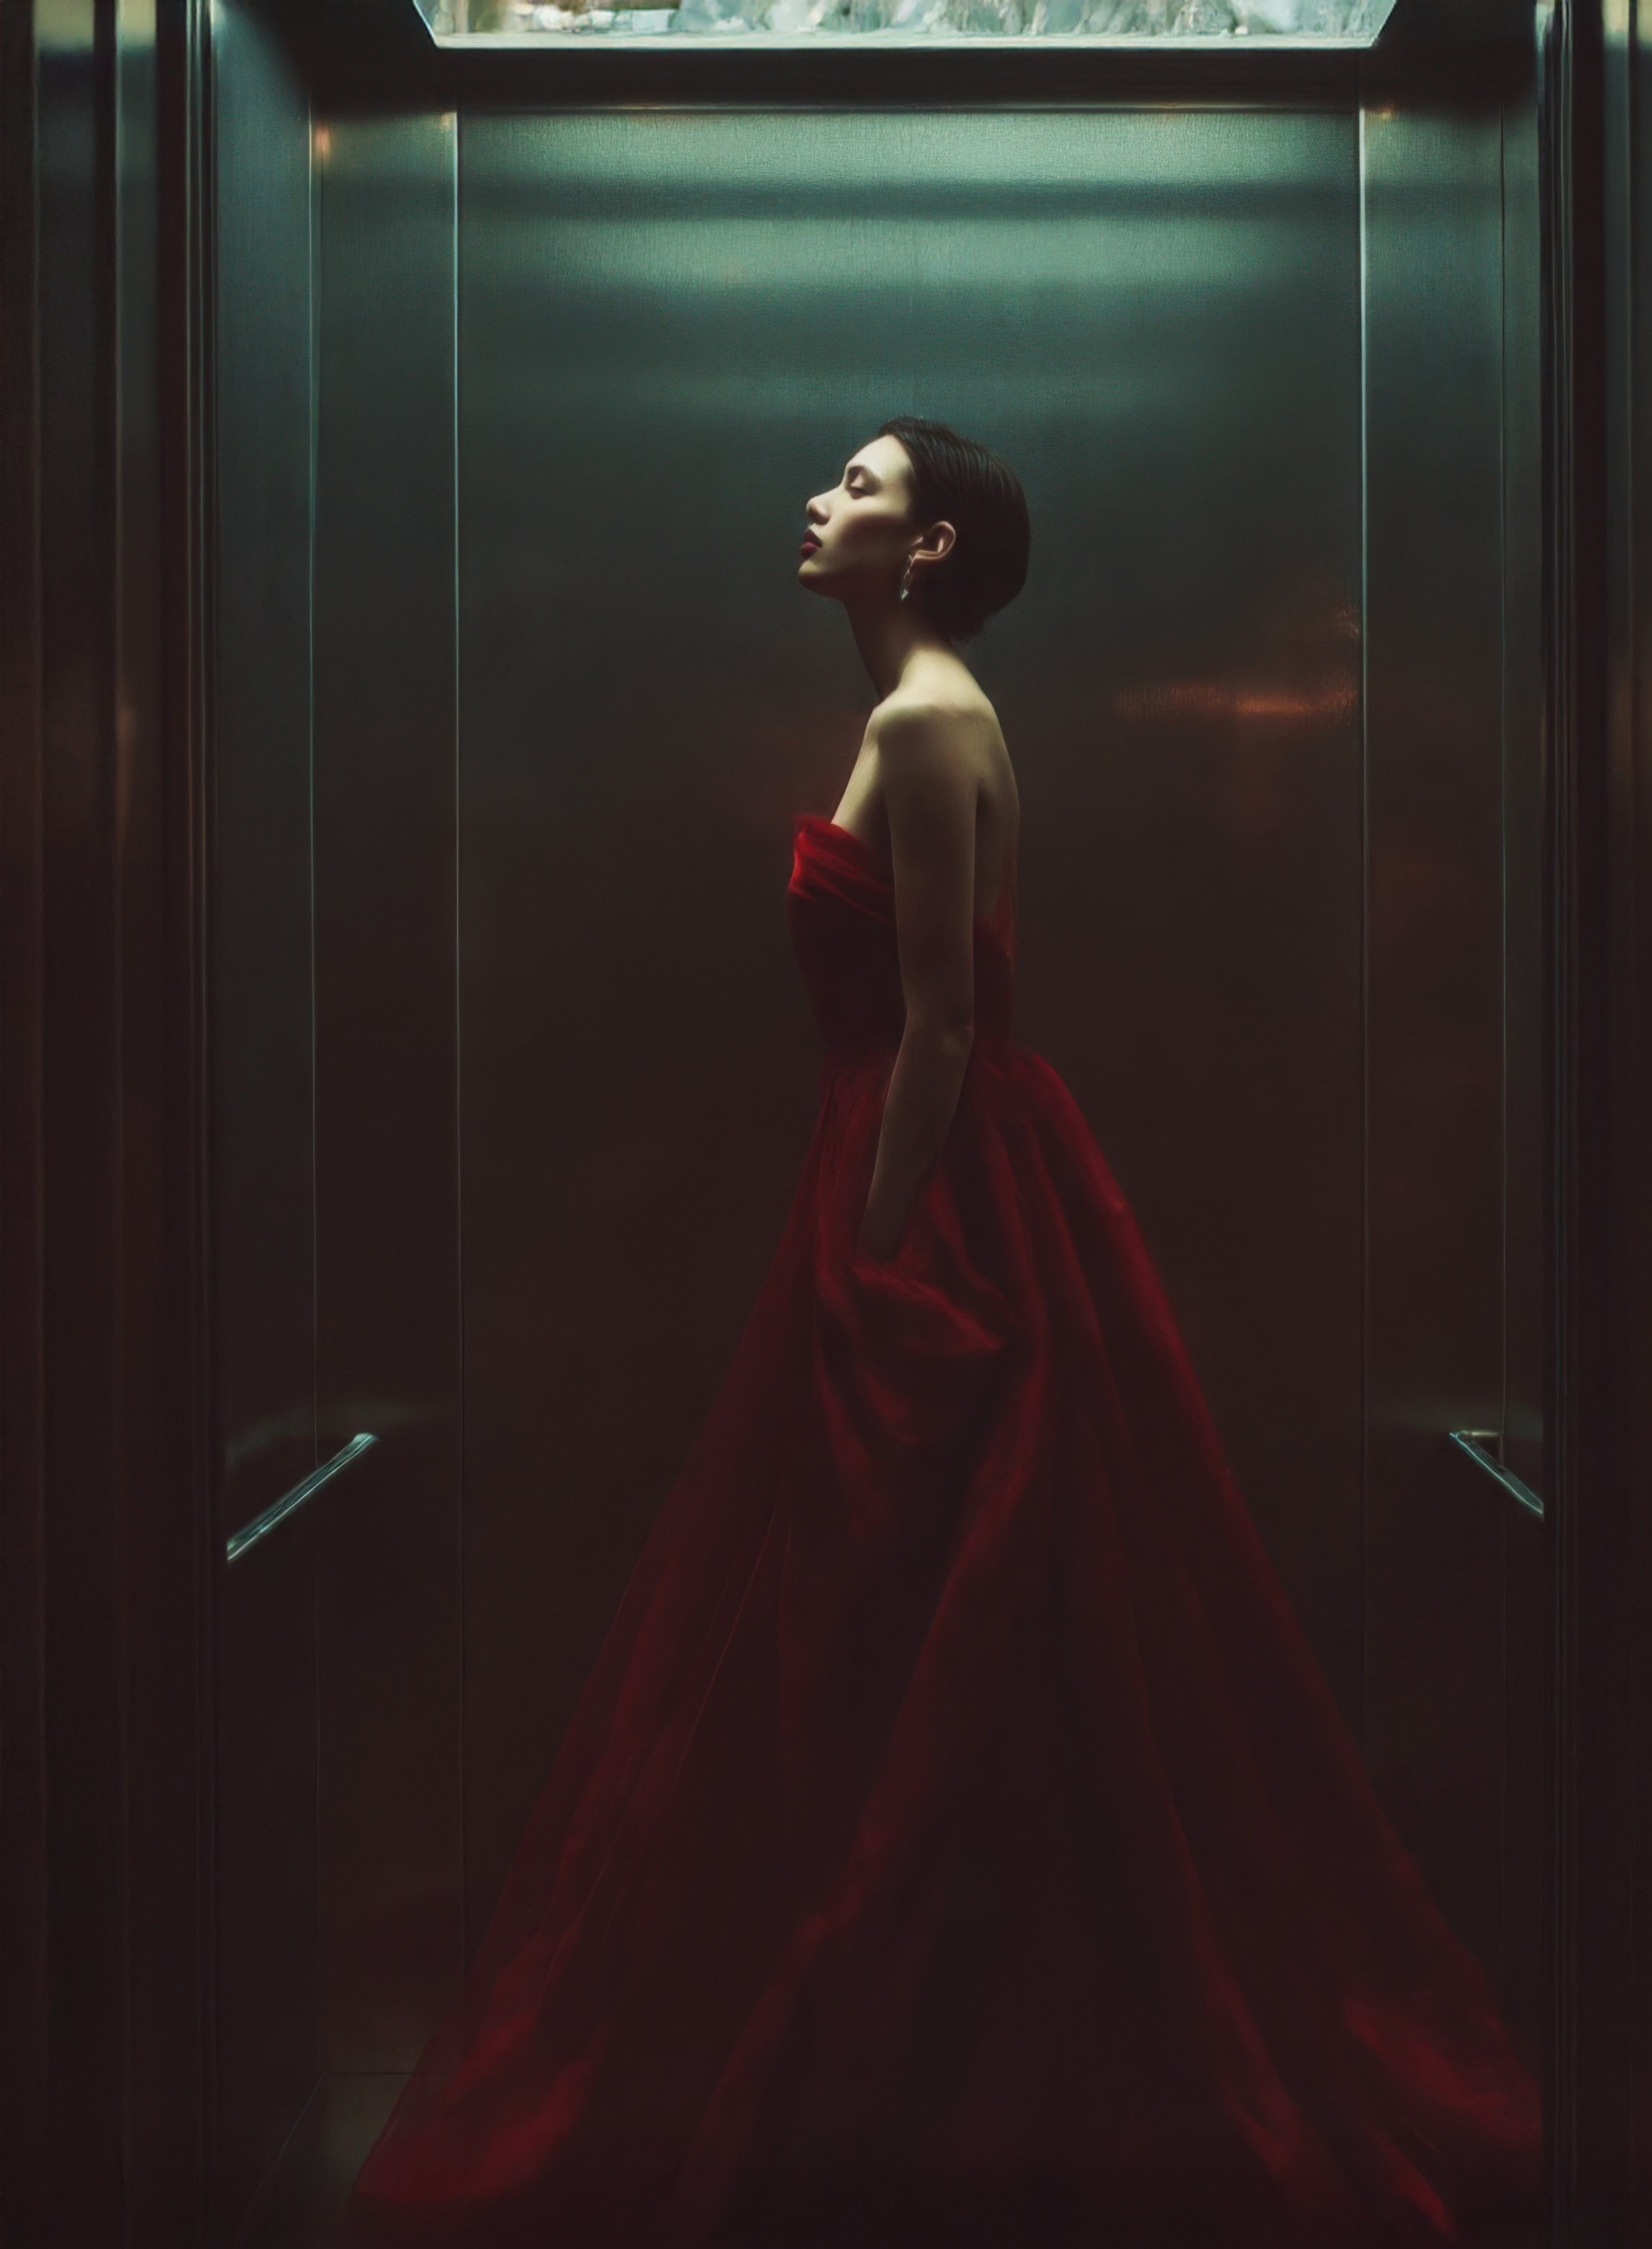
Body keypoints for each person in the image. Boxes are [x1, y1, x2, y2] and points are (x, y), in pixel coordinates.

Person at [338, 415, 1541, 2249]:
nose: (820, 500)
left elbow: (943, 1028)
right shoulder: (927, 705)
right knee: (946, 1611)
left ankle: (929, 2085)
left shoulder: (925, 717)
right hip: (927, 1155)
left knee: (936, 1594)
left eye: (860, 487)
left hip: (928, 1170)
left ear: (926, 551)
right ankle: (931, 2070)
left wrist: (880, 1251)